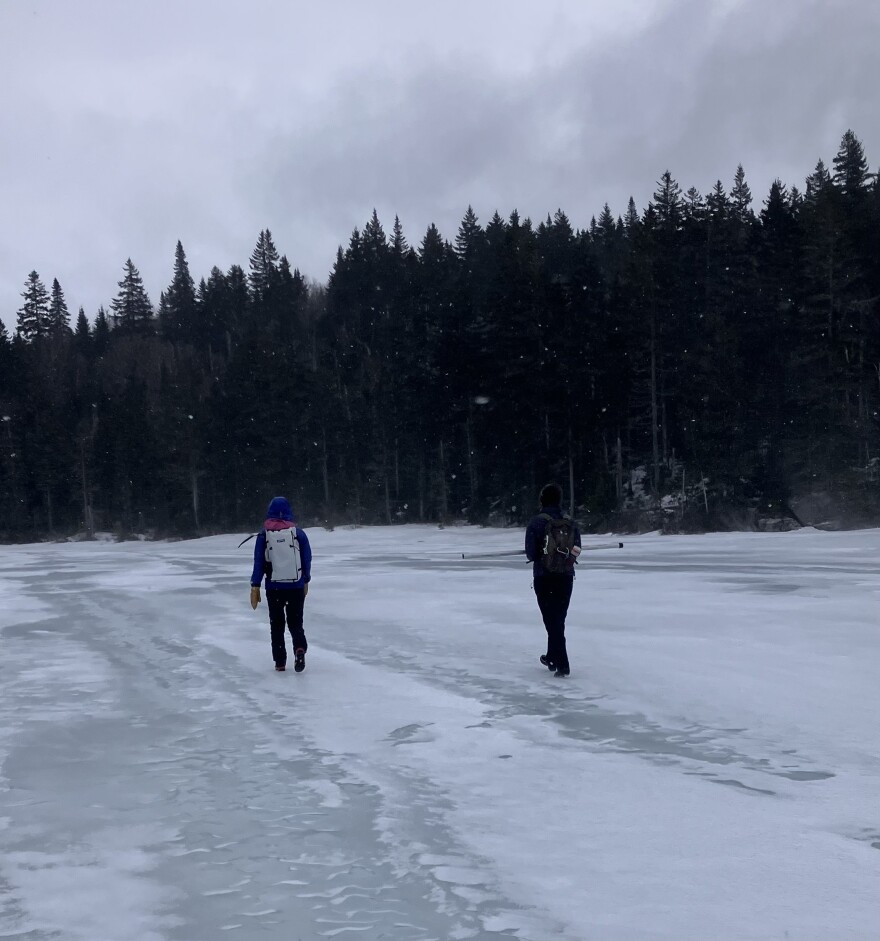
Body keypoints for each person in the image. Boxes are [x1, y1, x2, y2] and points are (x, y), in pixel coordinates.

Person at [524, 483, 581, 677]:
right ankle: (551, 657)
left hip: (544, 577)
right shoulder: (569, 522)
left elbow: (531, 553)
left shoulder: (536, 522)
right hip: (566, 576)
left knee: (551, 620)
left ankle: (562, 663)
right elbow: (577, 548)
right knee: (558, 619)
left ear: (542, 499)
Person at [250, 496, 312, 672]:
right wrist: (306, 579)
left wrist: (255, 585)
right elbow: (306, 559)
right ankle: (299, 649)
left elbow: (259, 562)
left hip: (274, 587)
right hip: (295, 586)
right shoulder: (298, 534)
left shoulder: (264, 535)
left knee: (276, 625)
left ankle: (280, 662)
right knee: (295, 623)